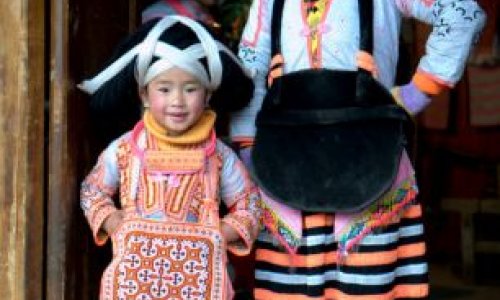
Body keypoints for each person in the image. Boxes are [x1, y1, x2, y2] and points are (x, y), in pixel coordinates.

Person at [230, 0, 485, 299]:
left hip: (370, 171)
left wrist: (415, 94)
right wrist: (250, 152)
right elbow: (250, 72)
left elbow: (462, 14)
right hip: (285, 176)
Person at [78, 15, 260, 299]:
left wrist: (221, 233)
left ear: (207, 95)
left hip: (199, 287)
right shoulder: (125, 150)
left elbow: (249, 203)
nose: (177, 101)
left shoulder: (219, 157)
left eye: (190, 89)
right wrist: (112, 220)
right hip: (134, 286)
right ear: (145, 95)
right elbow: (93, 190)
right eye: (164, 89)